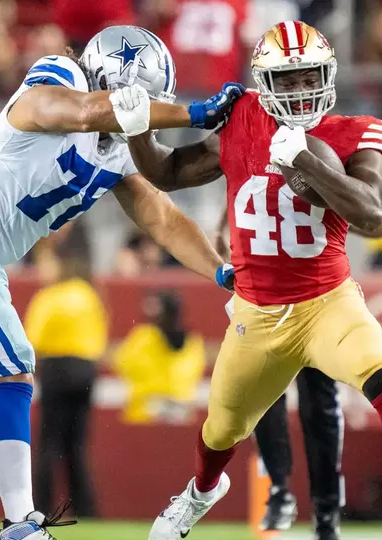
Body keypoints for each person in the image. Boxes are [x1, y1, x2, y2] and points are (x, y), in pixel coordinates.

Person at [0, 25, 239, 540]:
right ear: (115, 85)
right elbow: (76, 112)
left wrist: (220, 270)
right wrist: (190, 113)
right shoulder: (59, 77)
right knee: (11, 368)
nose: (150, 114)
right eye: (144, 101)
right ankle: (19, 525)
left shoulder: (119, 151)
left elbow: (162, 218)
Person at [120, 21, 382, 540]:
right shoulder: (241, 118)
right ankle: (199, 493)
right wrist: (136, 130)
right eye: (285, 79)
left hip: (329, 304)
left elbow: (373, 216)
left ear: (327, 76)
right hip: (256, 313)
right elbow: (169, 173)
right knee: (220, 431)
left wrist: (306, 161)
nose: (299, 89)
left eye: (308, 76)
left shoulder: (357, 130)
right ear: (263, 82)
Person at [214, 204, 344, 535]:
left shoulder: (312, 165)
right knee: (266, 398)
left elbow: (359, 213)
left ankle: (326, 506)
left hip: (317, 300)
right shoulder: (253, 175)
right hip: (269, 305)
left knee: (320, 407)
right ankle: (279, 489)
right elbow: (221, 232)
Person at [25, 247, 107, 518]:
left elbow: (32, 339)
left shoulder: (49, 297)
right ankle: (84, 509)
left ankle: (40, 509)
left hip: (56, 368)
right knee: (77, 444)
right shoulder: (87, 293)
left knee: (49, 443)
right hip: (85, 370)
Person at [113, 290, 205, 424]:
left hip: (145, 407)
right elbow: (195, 370)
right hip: (181, 406)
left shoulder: (144, 336)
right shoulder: (193, 340)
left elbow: (122, 363)